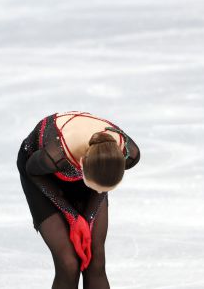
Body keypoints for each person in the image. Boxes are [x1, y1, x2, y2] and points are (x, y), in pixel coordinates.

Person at [16, 111, 141, 289]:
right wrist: (73, 217)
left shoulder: (130, 154)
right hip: (40, 174)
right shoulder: (53, 156)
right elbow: (32, 171)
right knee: (69, 263)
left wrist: (88, 218)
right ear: (82, 165)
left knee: (94, 260)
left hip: (93, 167)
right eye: (96, 186)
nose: (100, 191)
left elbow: (101, 186)